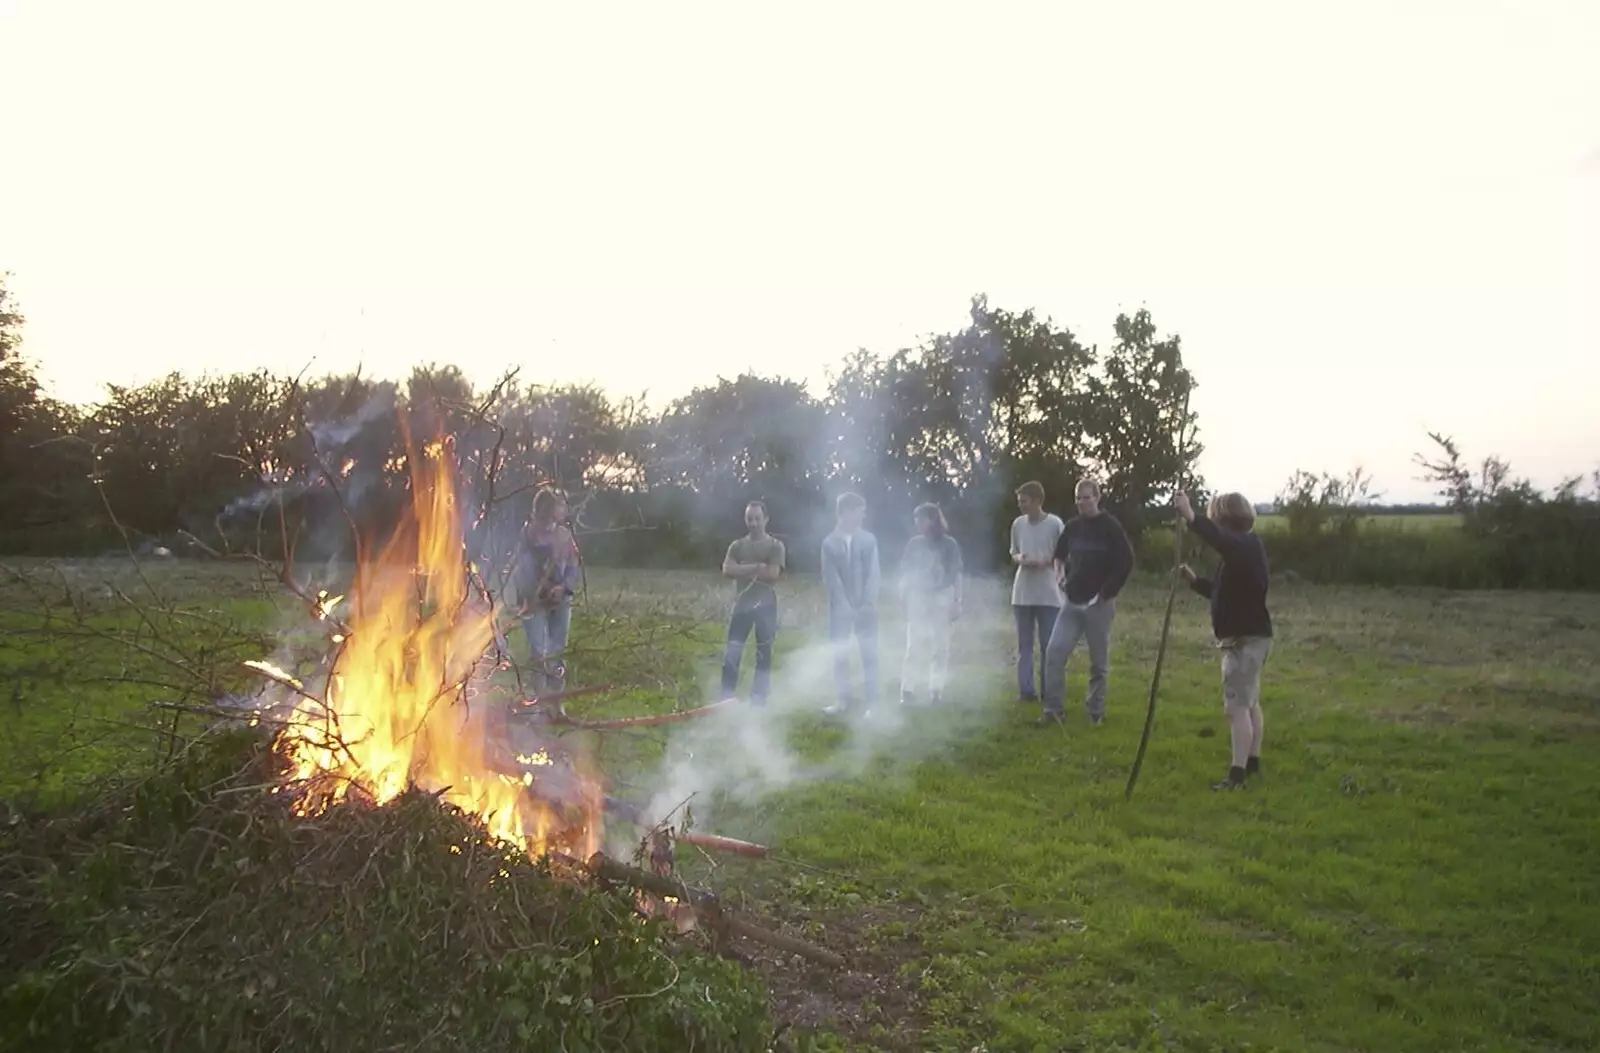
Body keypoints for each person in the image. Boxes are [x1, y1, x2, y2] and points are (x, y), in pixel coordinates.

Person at [1173, 489, 1274, 791]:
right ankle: (1252, 761)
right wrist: (1195, 582)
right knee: (1249, 701)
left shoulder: (1241, 545)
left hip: (1245, 640)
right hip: (1251, 637)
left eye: (1214, 514)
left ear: (1223, 517)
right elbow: (1223, 592)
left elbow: (1219, 538)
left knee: (1236, 708)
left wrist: (1191, 516)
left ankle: (1236, 777)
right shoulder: (1244, 549)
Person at [1039, 477, 1135, 726]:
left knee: (1098, 662)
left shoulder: (1110, 527)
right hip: (1072, 601)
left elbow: (1126, 562)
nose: (1082, 502)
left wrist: (1106, 593)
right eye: (1078, 498)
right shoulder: (1072, 527)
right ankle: (1053, 710)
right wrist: (1060, 576)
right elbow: (1059, 555)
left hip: (1099, 603)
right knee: (1054, 652)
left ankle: (1095, 712)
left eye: (1087, 497)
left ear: (1097, 498)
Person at [514, 487, 581, 695]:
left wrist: (564, 587)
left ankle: (555, 703)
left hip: (560, 601)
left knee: (557, 652)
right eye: (559, 504)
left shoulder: (564, 535)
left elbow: (573, 565)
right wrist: (541, 588)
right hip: (533, 600)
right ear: (547, 507)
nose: (563, 509)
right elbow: (522, 568)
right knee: (540, 652)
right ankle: (538, 703)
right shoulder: (528, 534)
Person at [719, 499, 786, 706]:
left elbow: (772, 574)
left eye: (757, 518)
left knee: (763, 653)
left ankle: (759, 699)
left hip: (766, 607)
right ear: (745, 520)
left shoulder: (776, 546)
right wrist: (757, 566)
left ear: (766, 519)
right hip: (741, 605)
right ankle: (726, 698)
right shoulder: (737, 546)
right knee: (732, 651)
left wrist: (742, 568)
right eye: (750, 519)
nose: (754, 523)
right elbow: (727, 570)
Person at [820, 492, 881, 718]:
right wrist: (846, 608)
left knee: (869, 655)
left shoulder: (869, 540)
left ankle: (873, 704)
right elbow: (831, 578)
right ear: (846, 512)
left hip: (866, 609)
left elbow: (874, 575)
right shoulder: (828, 543)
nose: (863, 516)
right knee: (840, 655)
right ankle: (842, 700)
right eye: (860, 511)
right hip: (839, 611)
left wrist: (866, 603)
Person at [898, 502, 964, 707]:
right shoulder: (914, 544)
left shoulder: (949, 544)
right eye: (915, 519)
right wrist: (903, 597)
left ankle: (936, 689)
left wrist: (957, 601)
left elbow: (957, 574)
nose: (917, 523)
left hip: (942, 596)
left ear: (932, 519)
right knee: (914, 645)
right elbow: (906, 573)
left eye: (920, 518)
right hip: (918, 596)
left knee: (941, 646)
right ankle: (907, 690)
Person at [1009, 481, 1065, 702]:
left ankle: (1048, 691)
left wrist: (1046, 562)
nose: (1021, 506)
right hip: (1022, 593)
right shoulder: (1018, 524)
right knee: (1024, 647)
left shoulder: (1054, 524)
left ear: (1037, 501)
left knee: (1048, 646)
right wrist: (1020, 559)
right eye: (1019, 502)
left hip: (1048, 594)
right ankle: (1026, 691)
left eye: (1025, 502)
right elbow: (1013, 551)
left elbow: (1063, 554)